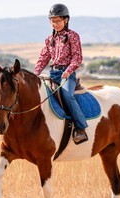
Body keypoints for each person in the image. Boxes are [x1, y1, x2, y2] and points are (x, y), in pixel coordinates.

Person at [34, 3, 88, 144]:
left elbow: (77, 58)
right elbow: (43, 58)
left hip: (67, 74)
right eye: (53, 21)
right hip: (53, 73)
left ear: (66, 20)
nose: (55, 24)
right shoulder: (49, 39)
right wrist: (36, 73)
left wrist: (68, 71)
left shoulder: (73, 36)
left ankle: (80, 128)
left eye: (58, 21)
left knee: (67, 95)